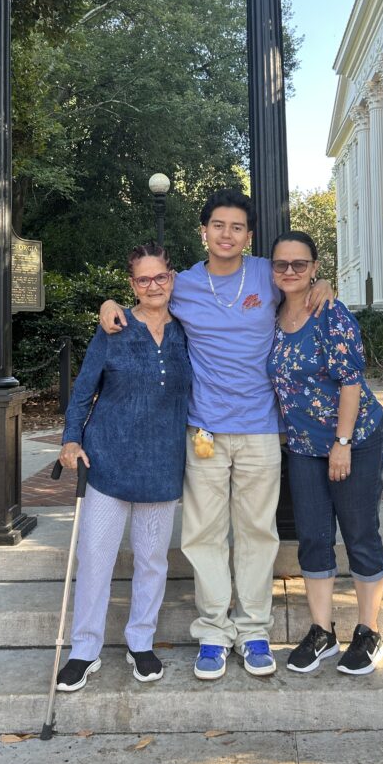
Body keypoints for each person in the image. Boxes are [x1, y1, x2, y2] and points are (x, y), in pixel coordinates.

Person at [99, 189, 334, 681]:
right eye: (218, 226)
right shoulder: (181, 283)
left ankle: (252, 632)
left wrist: (325, 283)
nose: (227, 235)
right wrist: (108, 304)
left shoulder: (266, 277)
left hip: (261, 429)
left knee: (255, 533)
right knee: (204, 534)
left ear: (249, 236)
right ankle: (212, 632)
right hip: (203, 428)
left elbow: (305, 284)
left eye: (238, 227)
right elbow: (145, 296)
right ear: (203, 231)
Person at [56, 243, 191, 690]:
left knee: (152, 558)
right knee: (96, 556)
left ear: (172, 278)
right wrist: (71, 438)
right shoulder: (113, 327)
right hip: (109, 459)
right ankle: (84, 649)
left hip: (162, 462)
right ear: (132, 284)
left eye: (161, 277)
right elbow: (83, 389)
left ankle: (141, 641)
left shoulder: (187, 329)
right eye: (143, 279)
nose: (154, 286)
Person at [267, 230, 383, 676]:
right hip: (303, 446)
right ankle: (321, 631)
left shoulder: (329, 312)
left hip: (355, 438)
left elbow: (350, 380)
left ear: (315, 268)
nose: (290, 272)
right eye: (281, 264)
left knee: (358, 531)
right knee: (315, 537)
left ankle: (368, 630)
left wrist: (342, 444)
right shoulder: (270, 311)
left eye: (300, 264)